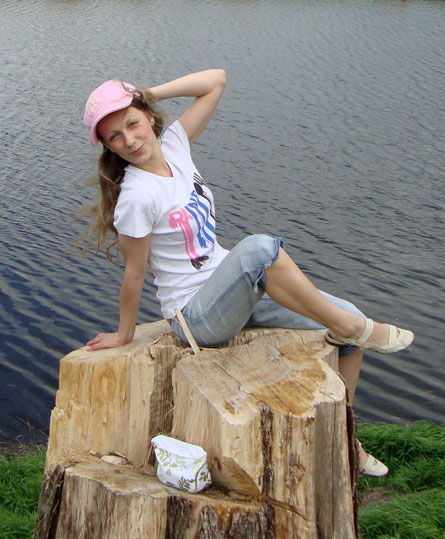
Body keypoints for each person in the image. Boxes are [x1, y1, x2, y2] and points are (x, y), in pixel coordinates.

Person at [82, 69, 413, 477]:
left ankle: (345, 436)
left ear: (149, 117)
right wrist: (124, 334)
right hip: (196, 316)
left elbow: (215, 81)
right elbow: (134, 275)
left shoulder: (175, 147)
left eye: (133, 123)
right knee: (259, 250)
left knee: (348, 319)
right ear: (109, 147)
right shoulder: (136, 196)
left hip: (236, 293)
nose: (130, 141)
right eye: (115, 137)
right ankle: (354, 328)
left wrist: (145, 93)